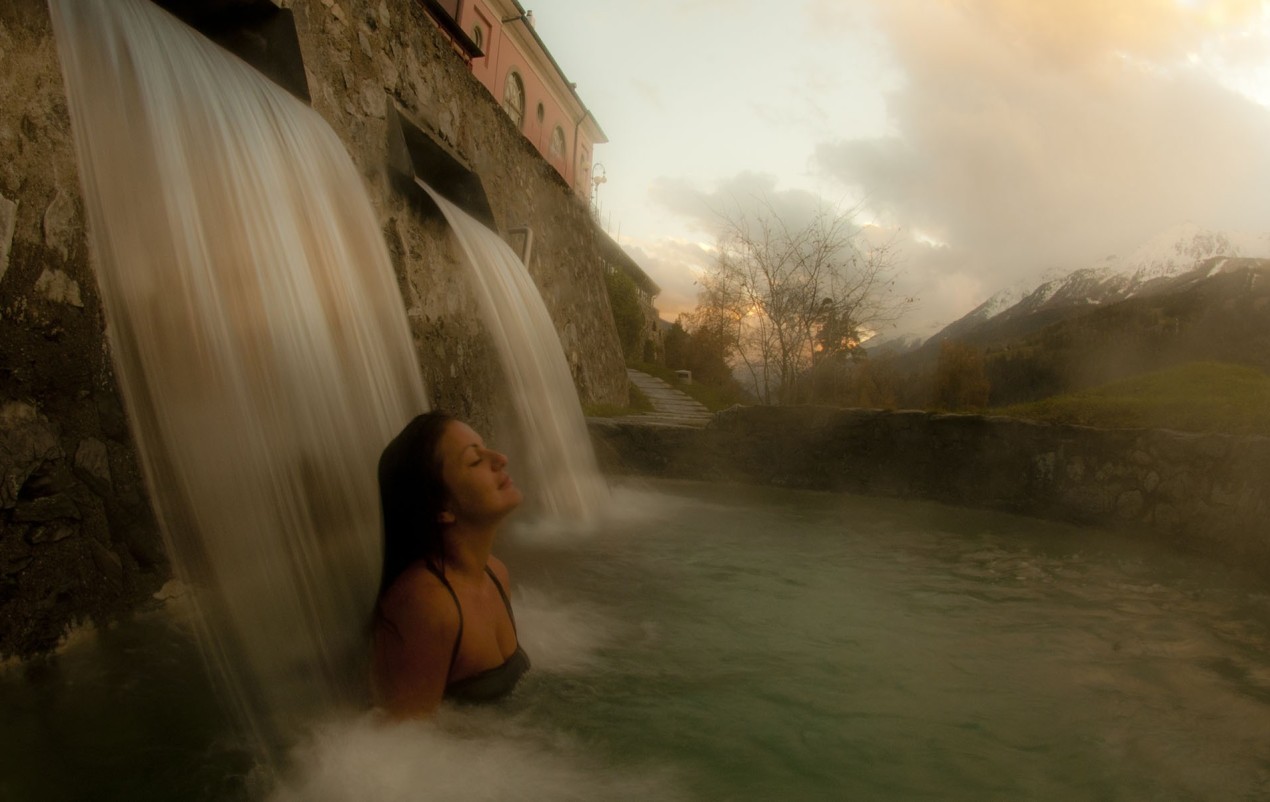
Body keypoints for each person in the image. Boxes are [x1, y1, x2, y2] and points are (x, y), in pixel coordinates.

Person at [371, 411, 530, 718]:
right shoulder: (427, 605)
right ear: (442, 508)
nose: (500, 458)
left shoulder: (495, 573)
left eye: (485, 447)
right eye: (475, 460)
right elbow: (402, 735)